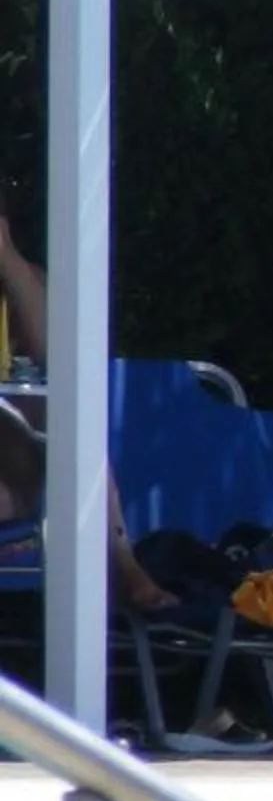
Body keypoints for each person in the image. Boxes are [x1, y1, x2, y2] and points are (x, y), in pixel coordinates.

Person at [0, 188, 176, 614]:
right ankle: (123, 567)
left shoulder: (19, 284)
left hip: (11, 475)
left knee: (70, 418)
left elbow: (60, 355)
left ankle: (122, 564)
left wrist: (6, 258)